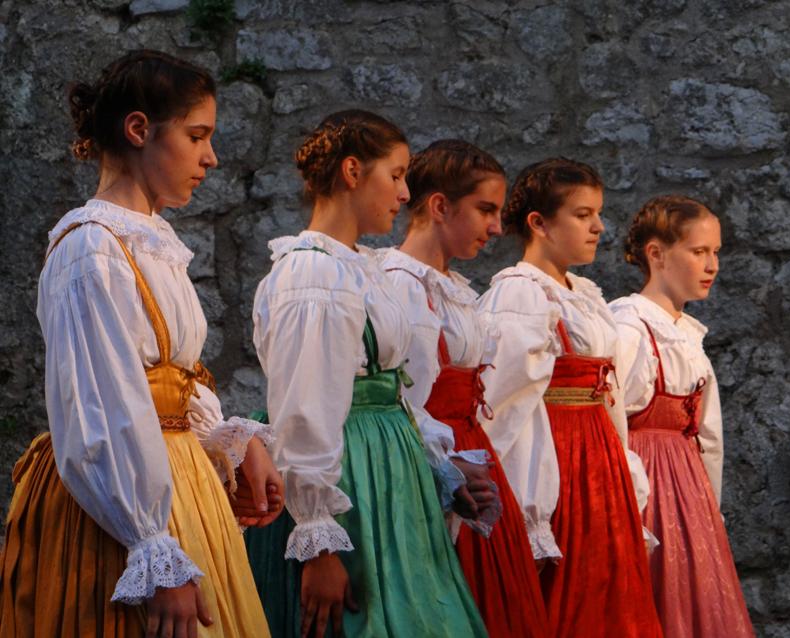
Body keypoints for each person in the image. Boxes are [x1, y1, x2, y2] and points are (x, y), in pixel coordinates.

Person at [0, 50, 281, 638]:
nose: (211, 157)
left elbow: (176, 379)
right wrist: (153, 549)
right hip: (123, 511)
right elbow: (102, 409)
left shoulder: (151, 240)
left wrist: (230, 441)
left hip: (178, 481)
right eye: (197, 135)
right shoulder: (91, 250)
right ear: (138, 129)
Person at [247, 110, 486, 638]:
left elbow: (394, 391)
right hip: (349, 475)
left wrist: (439, 467)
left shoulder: (363, 267)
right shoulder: (313, 272)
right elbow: (304, 410)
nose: (405, 193)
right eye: (395, 175)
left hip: (389, 471)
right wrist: (319, 542)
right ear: (353, 171)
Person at [477, 158, 661, 637]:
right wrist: (525, 509)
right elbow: (503, 409)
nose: (599, 227)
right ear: (539, 223)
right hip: (555, 464)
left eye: (597, 214)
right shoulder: (520, 295)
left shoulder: (583, 293)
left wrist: (624, 468)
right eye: (582, 215)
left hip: (599, 460)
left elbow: (609, 399)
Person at [379, 139, 549, 637]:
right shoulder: (401, 285)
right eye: (485, 210)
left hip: (471, 453)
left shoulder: (451, 288)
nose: (496, 227)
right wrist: (446, 469)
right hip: (426, 463)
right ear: (439, 206)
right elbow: (403, 403)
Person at [610, 195, 755, 638]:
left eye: (716, 252)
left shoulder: (686, 336)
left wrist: (709, 509)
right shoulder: (629, 329)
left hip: (688, 490)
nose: (712, 265)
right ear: (656, 253)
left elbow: (708, 438)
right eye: (698, 252)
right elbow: (609, 423)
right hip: (648, 487)